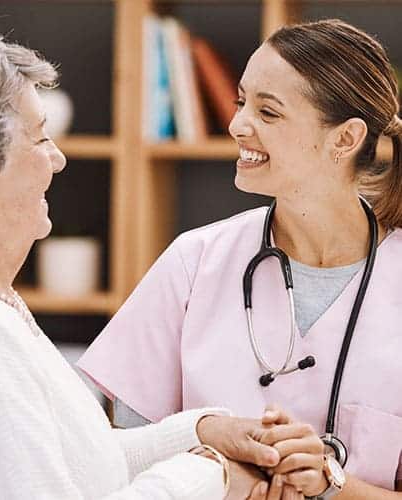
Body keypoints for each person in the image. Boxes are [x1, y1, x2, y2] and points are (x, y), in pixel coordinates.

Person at [0, 14, 289, 500]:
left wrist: (202, 432)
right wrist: (212, 474)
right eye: (40, 137)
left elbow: (77, 462)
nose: (57, 158)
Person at [78, 18, 402, 498]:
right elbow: (122, 460)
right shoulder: (194, 262)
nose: (236, 125)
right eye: (240, 102)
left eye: (267, 113)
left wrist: (333, 484)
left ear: (345, 139)